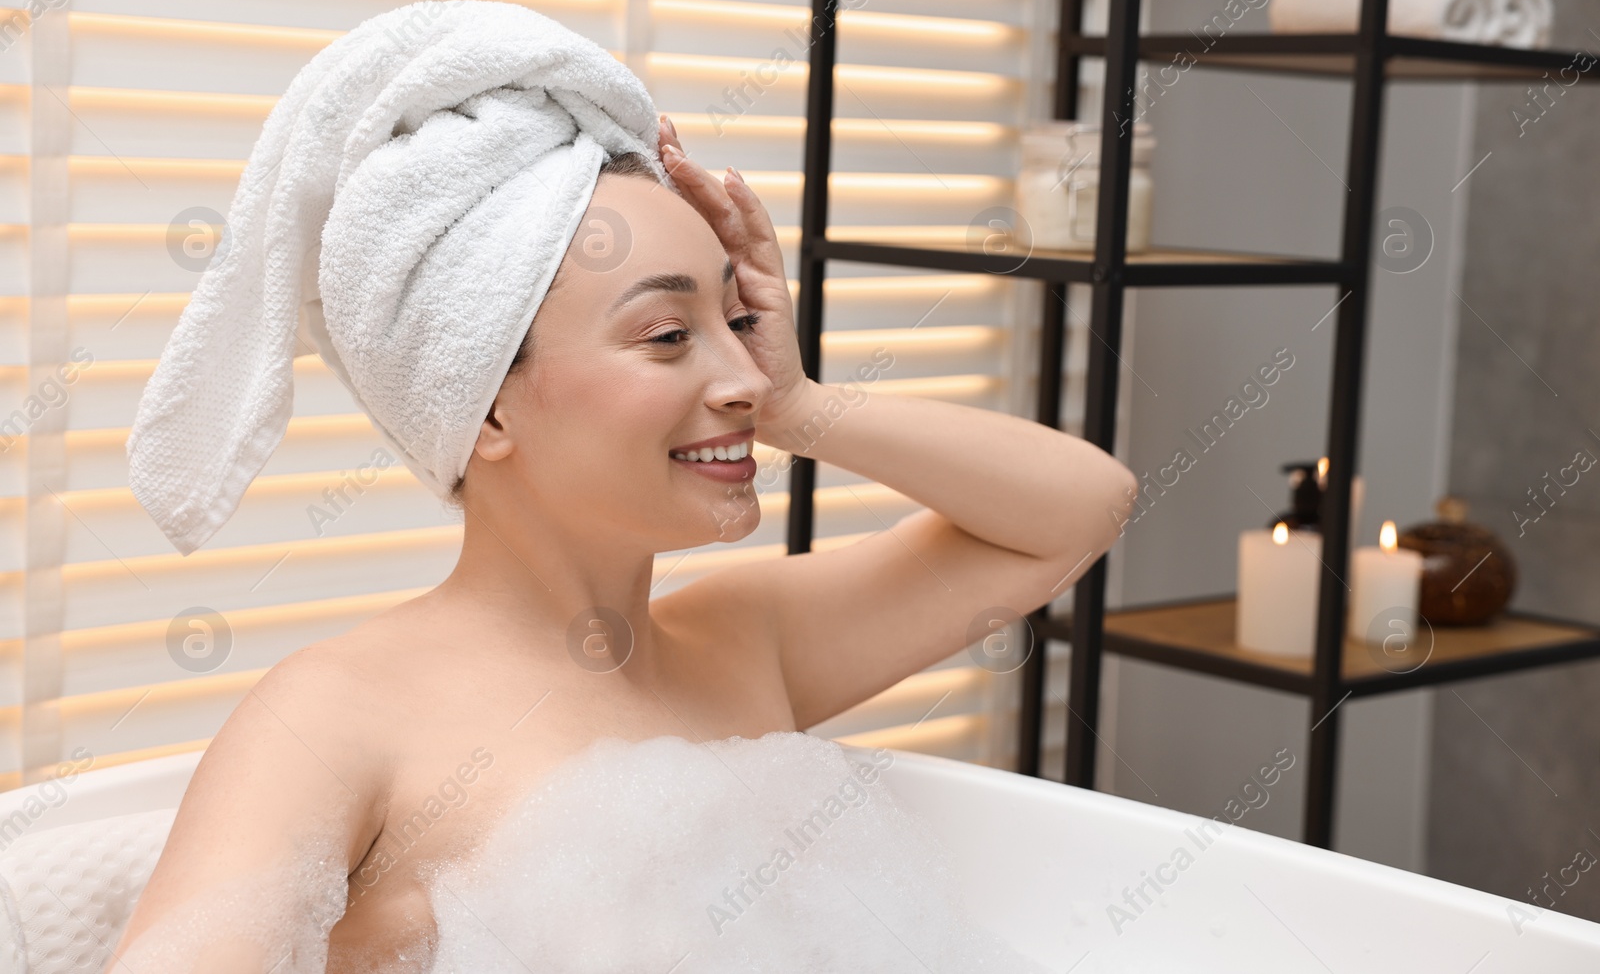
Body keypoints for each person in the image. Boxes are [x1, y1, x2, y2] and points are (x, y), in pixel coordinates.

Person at [108, 100, 1136, 974]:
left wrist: (799, 402)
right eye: (667, 335)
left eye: (737, 322)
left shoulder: (741, 638)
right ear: (489, 411)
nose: (736, 377)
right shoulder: (334, 715)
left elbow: (1078, 508)